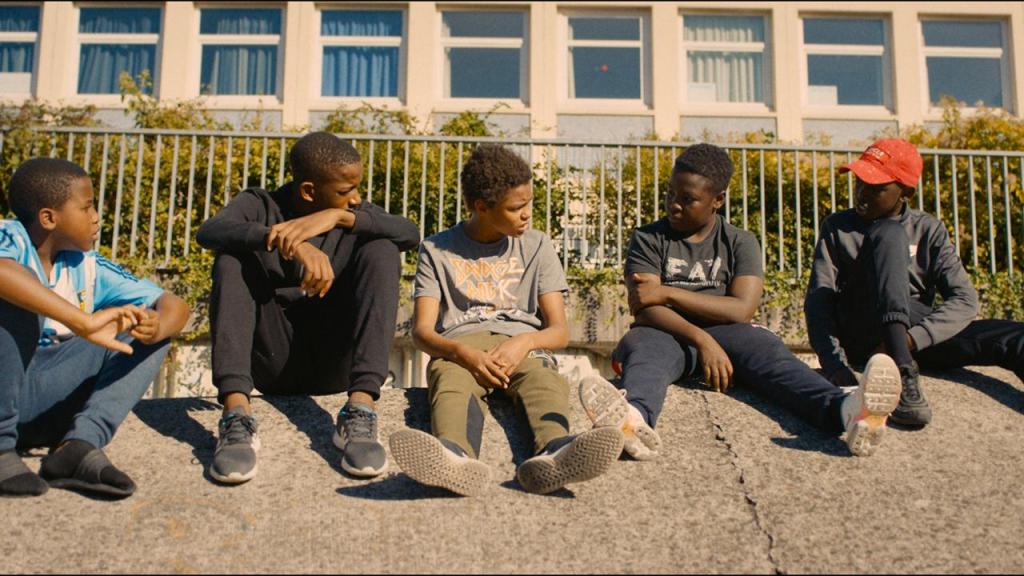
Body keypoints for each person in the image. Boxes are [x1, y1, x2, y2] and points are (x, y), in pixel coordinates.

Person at [579, 143, 901, 458]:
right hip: (665, 332)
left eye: (688, 199)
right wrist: (701, 339)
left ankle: (846, 410)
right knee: (645, 353)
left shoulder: (740, 241)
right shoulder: (648, 238)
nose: (674, 205)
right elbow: (647, 309)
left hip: (730, 334)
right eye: (670, 194)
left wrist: (668, 292)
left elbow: (742, 309)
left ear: (718, 200)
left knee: (772, 354)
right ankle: (632, 421)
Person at [389, 144, 623, 496]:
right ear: (482, 207)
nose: (526, 215)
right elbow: (422, 332)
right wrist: (461, 353)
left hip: (522, 343)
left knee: (544, 379)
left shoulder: (537, 245)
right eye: (515, 208)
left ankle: (556, 451)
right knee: (450, 383)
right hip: (461, 346)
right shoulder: (436, 250)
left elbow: (559, 331)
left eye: (529, 203)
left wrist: (524, 342)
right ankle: (453, 457)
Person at [196, 131, 418, 483]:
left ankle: (360, 411)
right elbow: (210, 231)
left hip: (335, 364)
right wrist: (289, 242)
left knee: (383, 249)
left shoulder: (352, 212)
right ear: (309, 191)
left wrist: (339, 217)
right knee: (231, 259)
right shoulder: (260, 204)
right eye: (345, 191)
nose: (356, 198)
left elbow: (410, 232)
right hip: (272, 362)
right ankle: (236, 417)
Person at [0, 157, 189, 498]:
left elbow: (174, 305)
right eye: (86, 207)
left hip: (46, 401)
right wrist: (83, 322)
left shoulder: (85, 265)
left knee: (145, 325)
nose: (96, 217)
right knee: (17, 293)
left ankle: (78, 447)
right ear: (49, 218)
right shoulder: (9, 237)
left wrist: (154, 327)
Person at [805, 137, 1024, 428]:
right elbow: (819, 300)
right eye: (859, 182)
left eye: (876, 187)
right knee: (889, 234)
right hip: (861, 326)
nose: (861, 193)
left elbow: (964, 299)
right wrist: (834, 365)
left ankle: (899, 351)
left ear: (905, 192)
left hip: (910, 334)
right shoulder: (837, 227)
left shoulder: (928, 229)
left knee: (1013, 338)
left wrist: (910, 339)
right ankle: (903, 370)